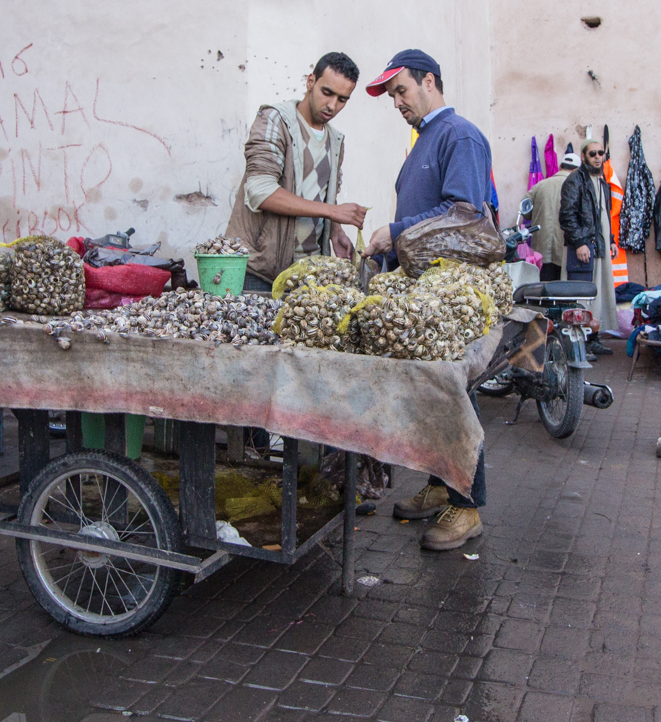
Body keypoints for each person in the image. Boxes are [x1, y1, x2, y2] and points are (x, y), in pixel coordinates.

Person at [362, 49, 492, 551]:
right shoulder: (427, 138)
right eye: (392, 95)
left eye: (401, 90)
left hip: (450, 294)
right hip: (423, 291)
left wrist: (394, 233)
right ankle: (442, 486)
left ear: (429, 81)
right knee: (435, 396)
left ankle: (467, 507)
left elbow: (462, 214)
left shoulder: (458, 135)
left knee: (458, 396)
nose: (396, 102)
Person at [224, 52, 368, 291]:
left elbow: (320, 196)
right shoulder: (275, 121)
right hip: (259, 269)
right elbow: (260, 191)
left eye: (342, 99)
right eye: (327, 92)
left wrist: (335, 230)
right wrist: (333, 212)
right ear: (310, 81)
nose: (332, 105)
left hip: (307, 275)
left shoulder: (335, 140)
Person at [559, 138, 619, 353]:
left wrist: (611, 239)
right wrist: (580, 243)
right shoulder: (575, 180)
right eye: (592, 154)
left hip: (599, 246)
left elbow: (604, 215)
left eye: (600, 153)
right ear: (583, 156)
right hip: (583, 247)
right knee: (581, 296)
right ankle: (579, 344)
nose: (596, 157)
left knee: (598, 294)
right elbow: (567, 215)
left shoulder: (603, 181)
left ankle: (592, 339)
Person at [522, 152, 580, 282]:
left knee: (544, 287)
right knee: (563, 289)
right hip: (566, 249)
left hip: (541, 247)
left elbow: (525, 209)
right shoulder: (577, 187)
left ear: (560, 167)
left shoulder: (540, 186)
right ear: (577, 170)